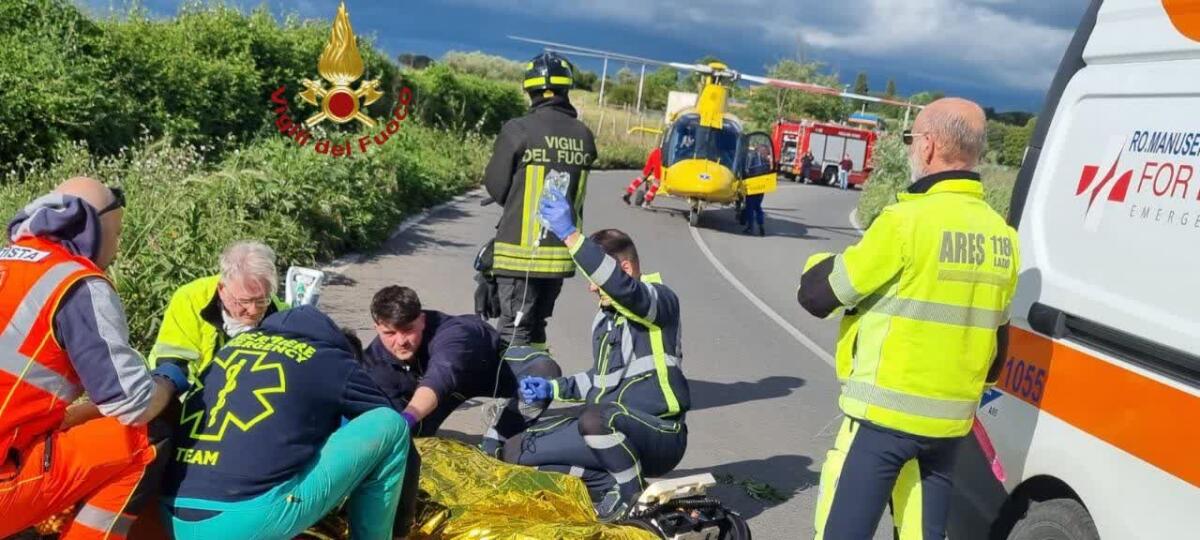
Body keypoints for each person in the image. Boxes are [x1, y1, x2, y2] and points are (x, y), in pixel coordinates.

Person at [797, 97, 1020, 539]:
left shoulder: (905, 221)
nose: (909, 148)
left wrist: (819, 262)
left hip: (882, 421)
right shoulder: (1004, 238)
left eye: (910, 138)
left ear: (930, 146)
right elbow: (997, 353)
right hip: (949, 429)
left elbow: (819, 296)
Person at [0, 177, 189, 539]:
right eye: (116, 235)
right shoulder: (76, 284)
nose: (116, 249)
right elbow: (134, 405)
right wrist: (167, 380)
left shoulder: (9, 265)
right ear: (93, 228)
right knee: (149, 436)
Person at [503, 186, 689, 522]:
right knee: (518, 448)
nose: (591, 287)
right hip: (609, 427)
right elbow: (597, 381)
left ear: (626, 268)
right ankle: (609, 487)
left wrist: (571, 235)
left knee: (594, 417)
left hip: (660, 435)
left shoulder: (660, 301)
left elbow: (625, 291)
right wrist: (552, 388)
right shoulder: (604, 321)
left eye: (595, 279)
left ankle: (634, 500)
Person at [161, 306, 411, 540]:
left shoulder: (231, 348)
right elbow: (388, 428)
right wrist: (404, 523)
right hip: (242, 522)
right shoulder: (332, 359)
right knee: (389, 423)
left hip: (169, 516)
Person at [483, 51, 598, 350]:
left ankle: (513, 394)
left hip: (519, 254)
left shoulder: (517, 129)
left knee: (513, 328)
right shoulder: (584, 136)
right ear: (565, 89)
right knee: (536, 326)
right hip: (561, 252)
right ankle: (537, 385)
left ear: (531, 90)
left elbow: (496, 188)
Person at [362, 285, 560, 455]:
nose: (401, 341)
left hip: (484, 370)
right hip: (437, 395)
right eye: (389, 333)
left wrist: (407, 418)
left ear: (421, 320)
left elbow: (442, 376)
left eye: (408, 330)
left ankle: (501, 441)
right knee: (403, 442)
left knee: (544, 371)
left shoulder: (453, 333)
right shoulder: (374, 361)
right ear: (377, 328)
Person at [149, 240, 288, 383]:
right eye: (244, 302)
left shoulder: (280, 312)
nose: (253, 310)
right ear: (222, 289)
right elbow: (173, 365)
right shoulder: (190, 299)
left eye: (261, 301)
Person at [741, 144, 772, 236]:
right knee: (758, 207)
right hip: (761, 187)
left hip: (753, 185)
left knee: (750, 207)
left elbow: (747, 170)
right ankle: (761, 225)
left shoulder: (753, 158)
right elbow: (768, 174)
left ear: (758, 150)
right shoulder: (766, 162)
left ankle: (750, 227)